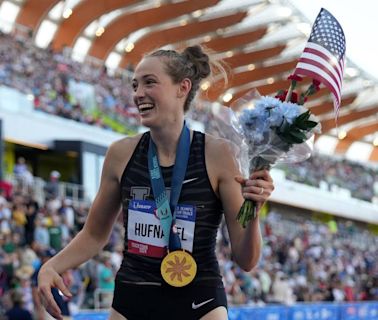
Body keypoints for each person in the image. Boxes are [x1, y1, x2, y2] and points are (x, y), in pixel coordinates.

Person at [37, 45, 274, 320]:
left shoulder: (220, 154)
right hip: (133, 299)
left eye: (150, 83)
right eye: (135, 85)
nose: (138, 94)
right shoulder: (120, 154)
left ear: (182, 88)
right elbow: (94, 235)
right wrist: (51, 266)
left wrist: (254, 210)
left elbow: (247, 260)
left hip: (199, 300)